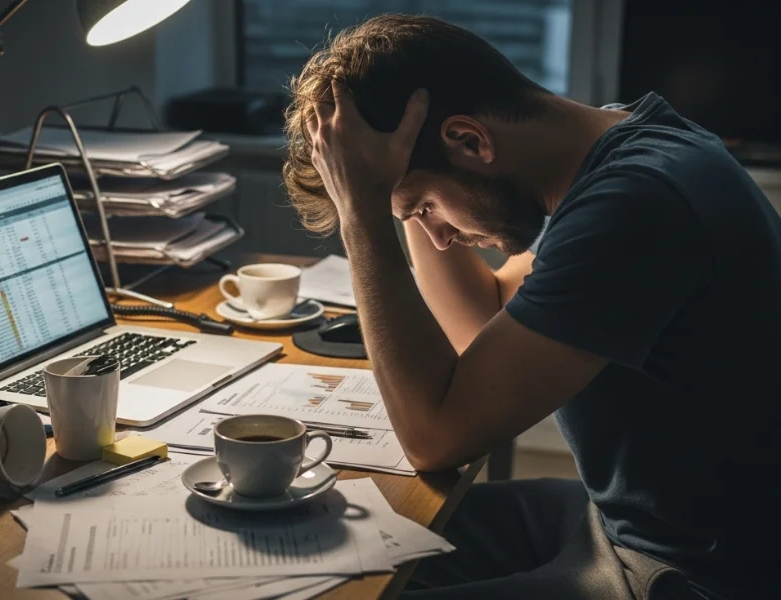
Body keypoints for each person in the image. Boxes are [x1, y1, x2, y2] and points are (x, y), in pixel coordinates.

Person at [283, 14, 781, 600]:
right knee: (306, 549)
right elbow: (484, 321)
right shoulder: (621, 152)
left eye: (424, 208)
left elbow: (435, 435)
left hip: (688, 573)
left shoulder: (636, 204)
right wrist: (396, 190)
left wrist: (363, 214)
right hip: (621, 524)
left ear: (471, 141)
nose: (437, 237)